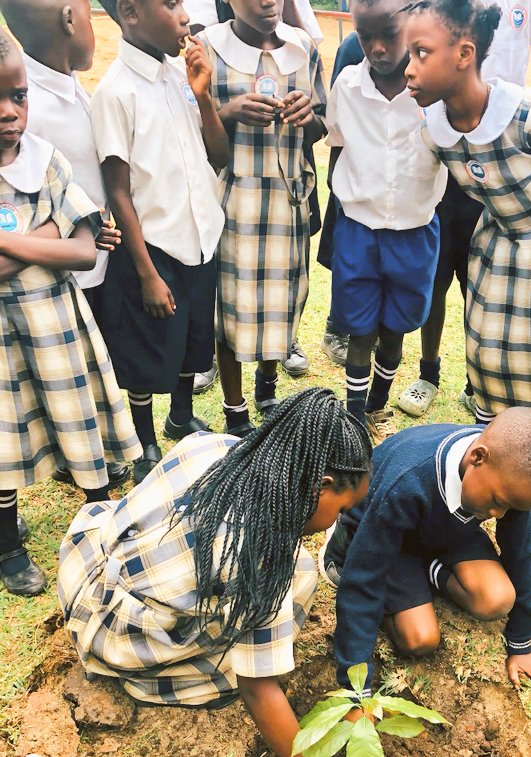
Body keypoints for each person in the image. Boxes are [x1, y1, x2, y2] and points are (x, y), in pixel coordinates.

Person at [58, 389, 372, 757]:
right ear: (321, 485)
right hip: (116, 635)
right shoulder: (260, 557)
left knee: (295, 573)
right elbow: (258, 688)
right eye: (341, 509)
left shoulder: (213, 446)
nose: (336, 520)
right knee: (293, 584)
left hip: (86, 571)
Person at [404, 0, 531, 429]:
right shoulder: (434, 133)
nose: (408, 68)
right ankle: (491, 433)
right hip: (499, 235)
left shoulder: (528, 114)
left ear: (465, 55)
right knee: (487, 346)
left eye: (420, 53)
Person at [0, 30, 141, 596]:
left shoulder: (47, 161)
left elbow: (86, 249)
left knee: (80, 424)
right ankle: (8, 545)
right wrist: (50, 233)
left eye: (19, 96)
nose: (10, 113)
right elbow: (74, 237)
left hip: (55, 324)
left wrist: (19, 242)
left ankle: (100, 526)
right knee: (4, 439)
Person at [321, 407, 531, 694]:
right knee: (420, 639)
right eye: (498, 502)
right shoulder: (408, 480)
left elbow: (519, 554)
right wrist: (355, 691)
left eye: (511, 508)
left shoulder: (509, 481)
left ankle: (428, 569)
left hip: (444, 530)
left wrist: (521, 643)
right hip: (383, 538)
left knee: (496, 599)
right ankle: (350, 554)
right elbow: (362, 583)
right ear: (477, 457)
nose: (500, 515)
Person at [92, 0, 228, 483]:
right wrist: (147, 274)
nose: (185, 15)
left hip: (199, 238)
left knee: (193, 340)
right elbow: (118, 192)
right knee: (150, 349)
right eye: (171, 4)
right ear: (130, 13)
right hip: (153, 250)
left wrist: (204, 96)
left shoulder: (177, 75)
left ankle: (180, 417)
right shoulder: (115, 92)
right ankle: (146, 439)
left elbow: (218, 155)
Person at [199, 0, 327, 434]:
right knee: (230, 307)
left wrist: (308, 118)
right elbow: (189, 133)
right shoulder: (207, 47)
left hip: (286, 198)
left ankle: (267, 385)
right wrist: (228, 114)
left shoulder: (304, 46)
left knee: (282, 300)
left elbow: (321, 123)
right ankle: (235, 410)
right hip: (233, 200)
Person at [326, 0, 446, 441]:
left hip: (415, 233)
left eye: (388, 36)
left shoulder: (434, 92)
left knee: (395, 328)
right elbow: (337, 145)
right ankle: (354, 416)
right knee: (359, 330)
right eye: (365, 37)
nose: (376, 48)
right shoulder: (347, 87)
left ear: (411, 29)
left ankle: (377, 405)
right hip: (359, 230)